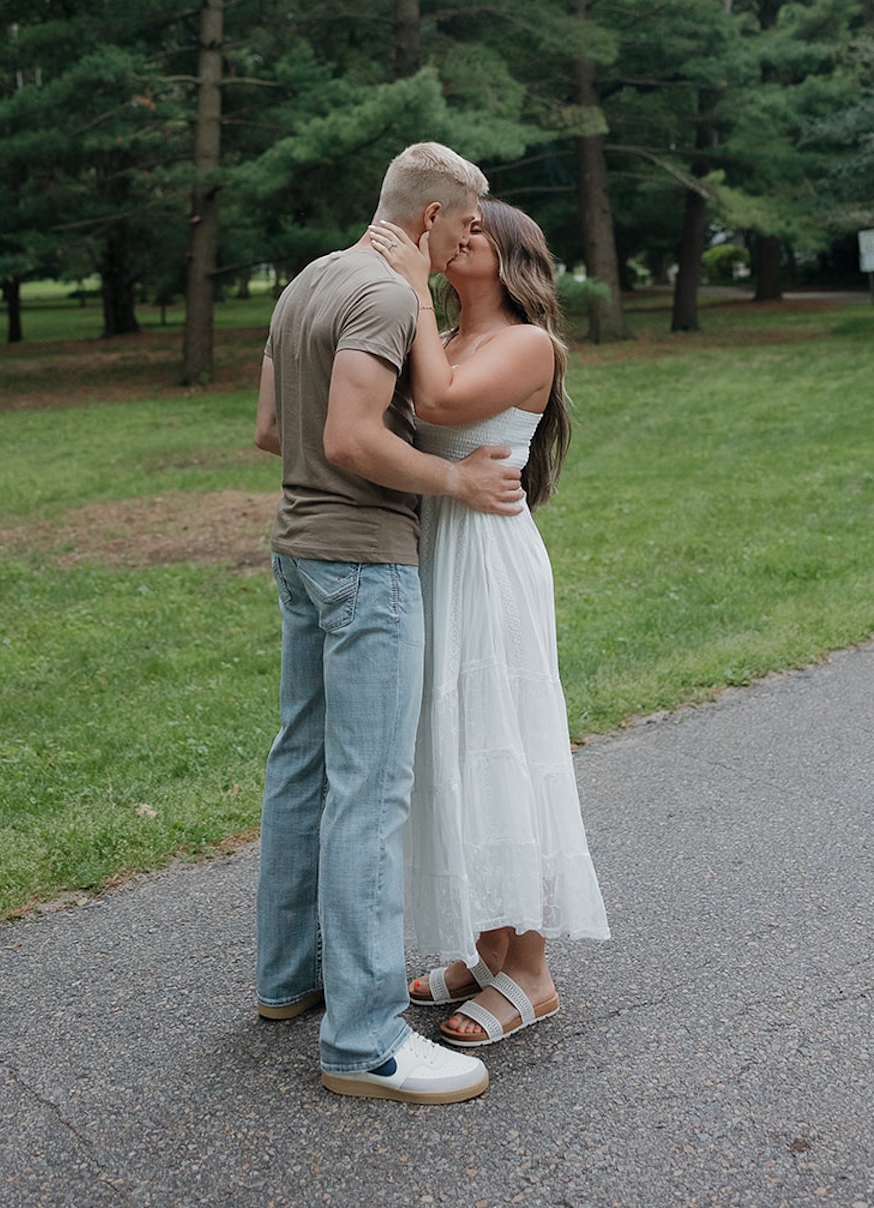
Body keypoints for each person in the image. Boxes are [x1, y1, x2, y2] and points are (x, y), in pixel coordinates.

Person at [253, 142, 527, 1106]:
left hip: (297, 552)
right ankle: (365, 1045)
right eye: (462, 224)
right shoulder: (382, 294)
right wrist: (453, 477)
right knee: (368, 796)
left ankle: (291, 984)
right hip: (366, 563)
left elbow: (274, 432)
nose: (467, 241)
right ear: (428, 218)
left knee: (302, 769)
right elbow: (347, 436)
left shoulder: (307, 286)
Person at [367, 199, 609, 1049]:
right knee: (448, 741)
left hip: (491, 560)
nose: (454, 237)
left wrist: (405, 278)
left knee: (501, 740)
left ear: (510, 257)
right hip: (434, 547)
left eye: (473, 231)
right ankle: (489, 945)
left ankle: (532, 973)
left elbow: (436, 397)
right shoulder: (449, 333)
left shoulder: (527, 344)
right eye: (452, 229)